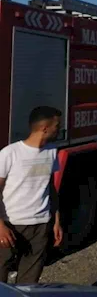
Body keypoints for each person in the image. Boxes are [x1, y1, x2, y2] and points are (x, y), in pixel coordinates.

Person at [0, 106, 63, 284]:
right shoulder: (10, 153)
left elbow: (50, 188)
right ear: (44, 128)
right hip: (10, 225)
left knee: (29, 283)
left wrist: (56, 221)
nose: (60, 129)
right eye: (57, 125)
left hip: (40, 226)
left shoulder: (52, 152)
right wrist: (0, 226)